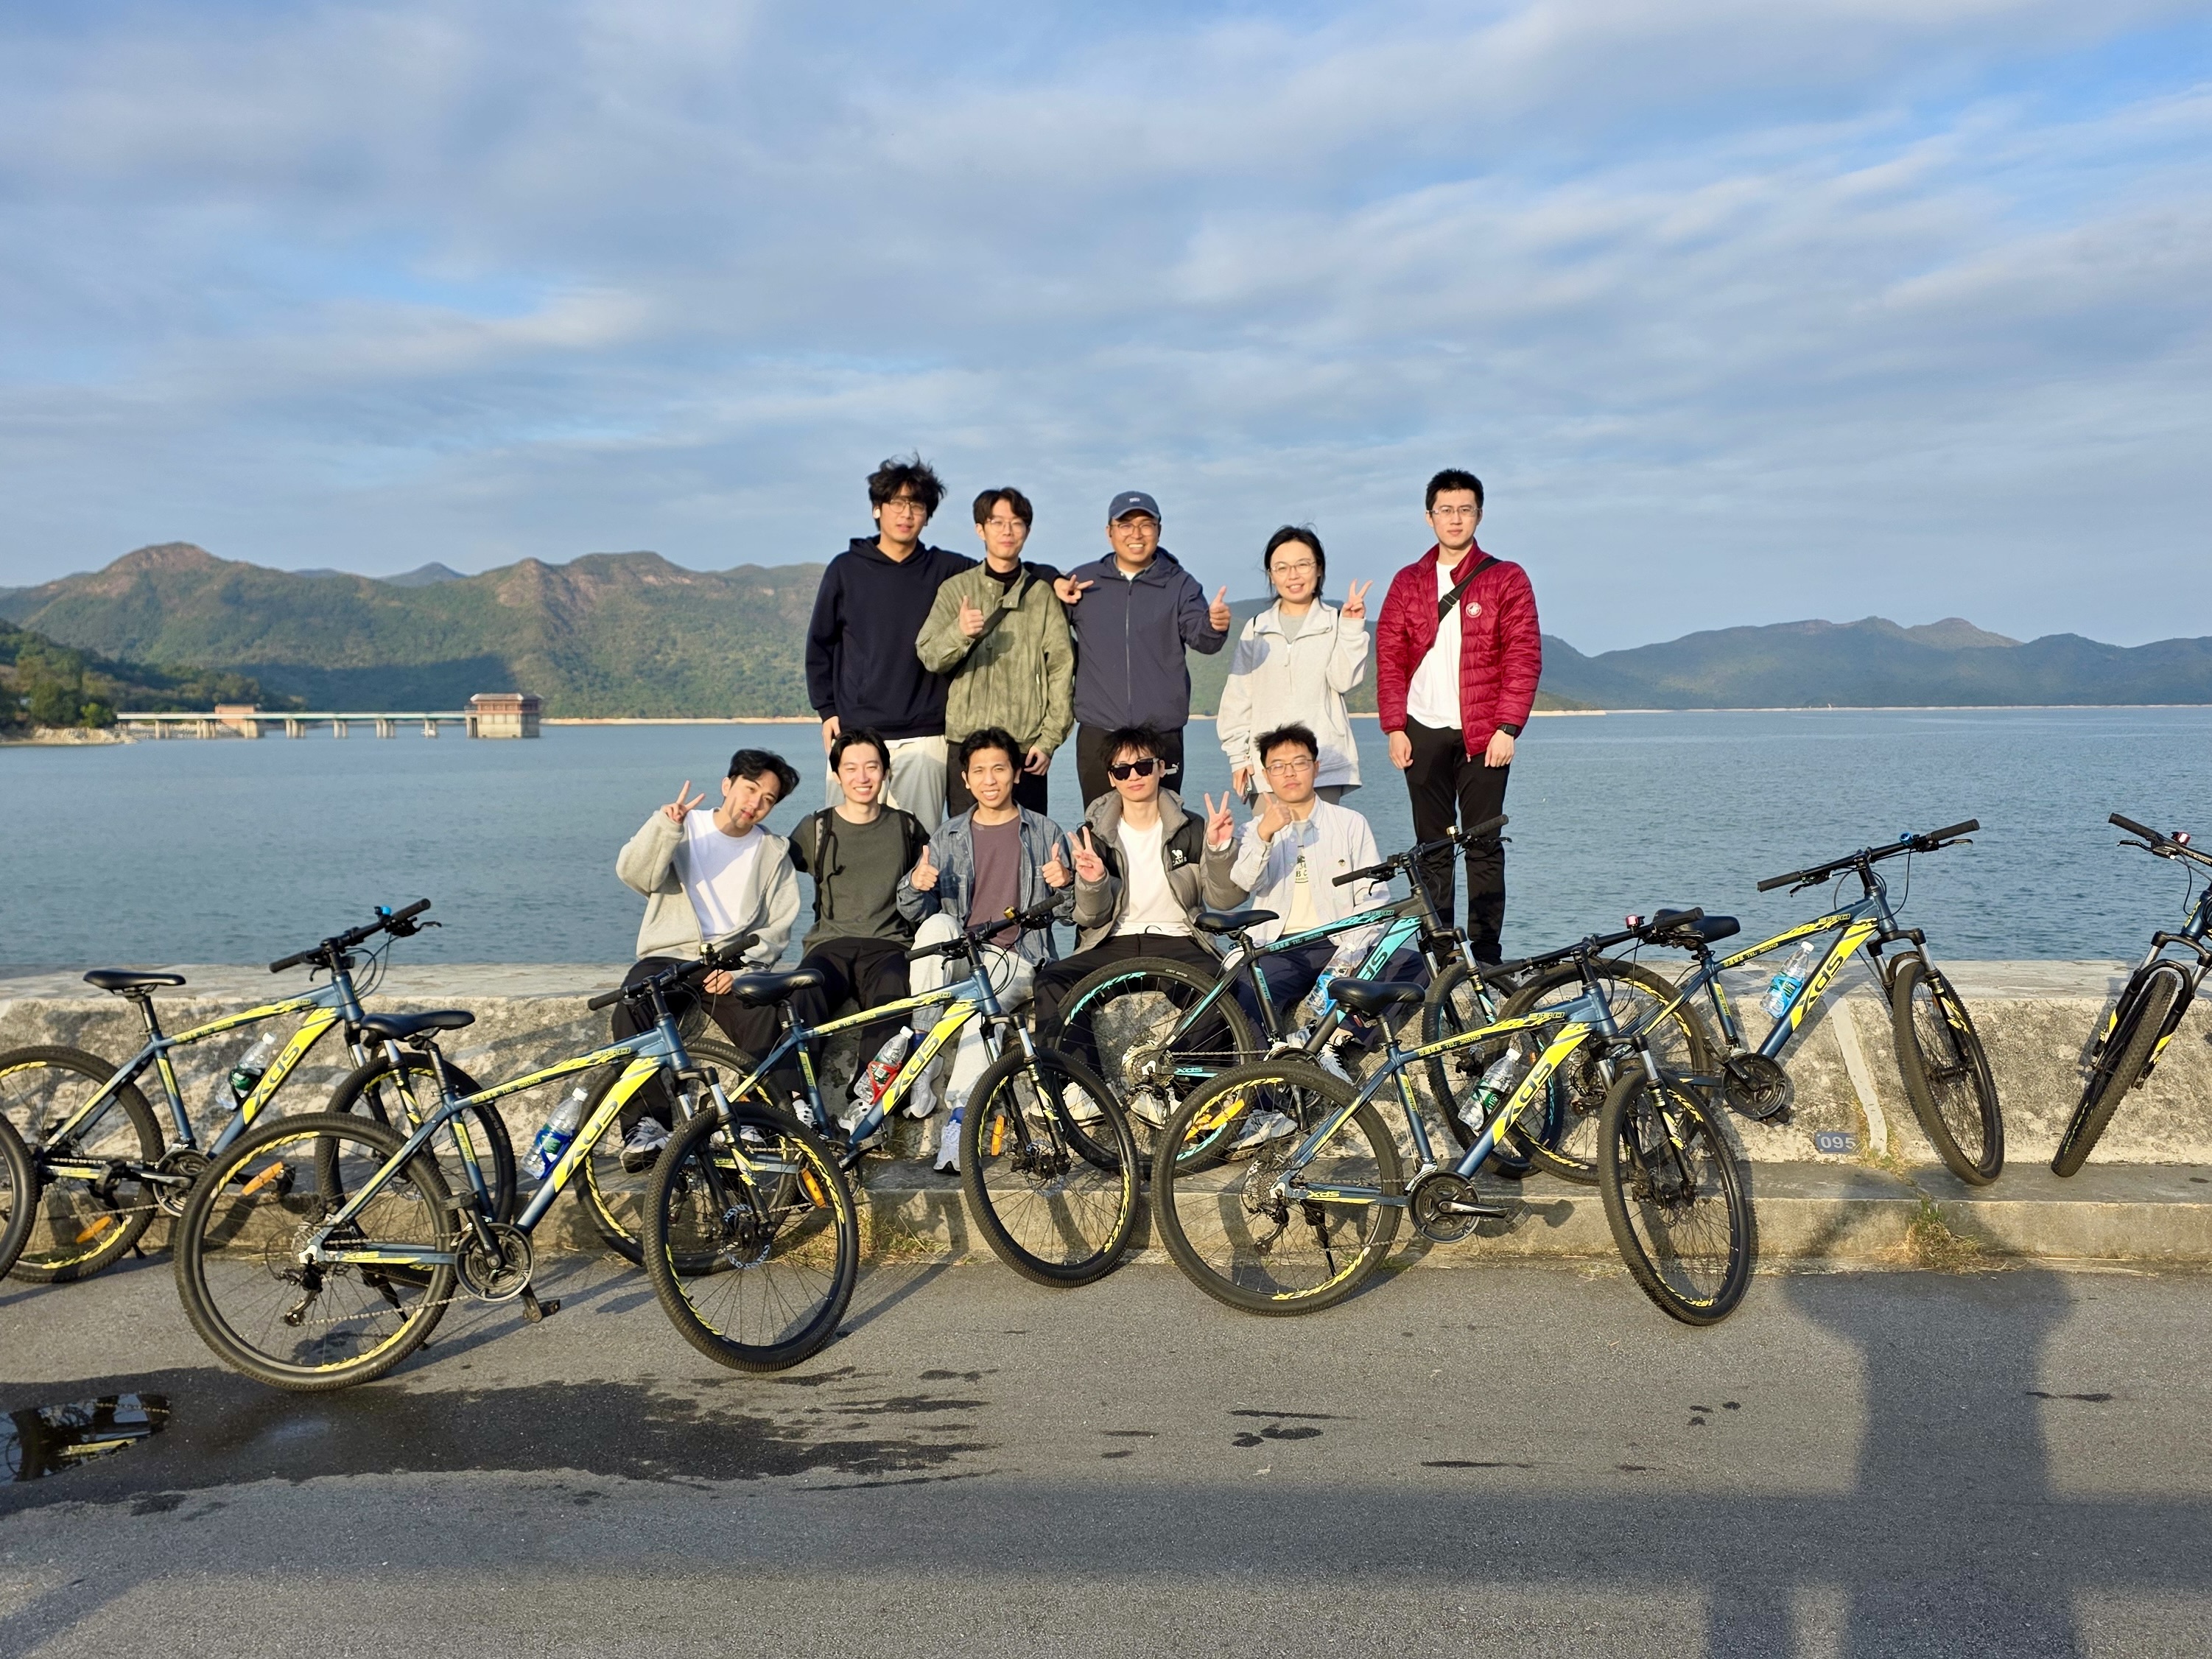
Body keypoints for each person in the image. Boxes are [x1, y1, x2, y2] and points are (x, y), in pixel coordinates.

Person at [1375, 469, 1542, 964]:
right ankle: (1440, 952)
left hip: (1484, 733)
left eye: (1465, 509)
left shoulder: (1505, 577)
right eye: (1445, 510)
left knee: (1484, 845)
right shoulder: (1408, 582)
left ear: (1479, 515)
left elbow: (1523, 655)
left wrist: (1507, 727)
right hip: (1421, 729)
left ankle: (1487, 954)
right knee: (1431, 848)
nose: (1455, 519)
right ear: (1428, 517)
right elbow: (1390, 658)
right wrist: (1394, 727)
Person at [896, 727, 1075, 1170]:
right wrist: (915, 885)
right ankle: (923, 1051)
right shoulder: (948, 835)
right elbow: (916, 913)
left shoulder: (1045, 831)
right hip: (963, 952)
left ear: (1016, 774)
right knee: (936, 926)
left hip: (1017, 957)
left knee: (979, 1010)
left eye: (999, 769)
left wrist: (1067, 884)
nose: (989, 779)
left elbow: (1072, 914)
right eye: (979, 771)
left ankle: (960, 1121)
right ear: (965, 779)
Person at [611, 748, 803, 1165]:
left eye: (768, 799)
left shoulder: (773, 852)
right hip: (670, 955)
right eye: (750, 789)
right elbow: (634, 875)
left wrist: (747, 969)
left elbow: (778, 925)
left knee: (766, 1014)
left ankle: (752, 1120)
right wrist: (665, 828)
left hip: (732, 963)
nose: (755, 803)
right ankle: (646, 1126)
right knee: (633, 1006)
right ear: (727, 785)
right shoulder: (682, 827)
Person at [1030, 724, 1243, 1042]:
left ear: (1161, 768)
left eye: (1143, 766)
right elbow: (1091, 917)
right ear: (1111, 778)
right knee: (1052, 983)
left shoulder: (1193, 828)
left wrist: (1219, 849)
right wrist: (1094, 881)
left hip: (1179, 940)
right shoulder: (1094, 837)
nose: (1134, 776)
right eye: (1122, 769)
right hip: (1112, 941)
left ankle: (1184, 1071)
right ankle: (1075, 1073)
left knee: (1221, 990)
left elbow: (1224, 900)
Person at [805, 455, 974, 830]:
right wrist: (827, 710)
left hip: (925, 735)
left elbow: (1003, 570)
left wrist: (1053, 579)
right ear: (877, 509)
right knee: (844, 838)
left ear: (927, 516)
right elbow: (820, 645)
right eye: (897, 502)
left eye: (917, 505)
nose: (906, 513)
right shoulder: (845, 569)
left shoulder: (947, 570)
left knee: (919, 841)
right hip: (855, 733)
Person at [1053, 490, 1231, 803]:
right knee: (1099, 823)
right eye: (1125, 525)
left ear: (1159, 531)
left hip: (1161, 733)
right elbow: (1046, 624)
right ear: (1109, 532)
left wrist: (1214, 625)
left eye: (1146, 525)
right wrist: (1052, 581)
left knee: (1166, 821)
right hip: (1099, 731)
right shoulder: (1085, 582)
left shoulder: (1180, 584)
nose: (1136, 534)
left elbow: (1202, 639)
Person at [915, 486, 1075, 818]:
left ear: (1027, 530)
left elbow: (1061, 669)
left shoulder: (1042, 595)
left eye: (1017, 523)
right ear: (980, 529)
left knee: (1028, 840)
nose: (1007, 531)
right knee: (965, 839)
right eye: (997, 522)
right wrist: (959, 632)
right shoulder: (957, 589)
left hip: (1025, 748)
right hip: (966, 744)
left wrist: (1048, 741)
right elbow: (929, 654)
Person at [1221, 723, 1391, 1031]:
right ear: (1266, 775)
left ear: (1316, 767)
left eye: (1299, 763)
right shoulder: (1254, 829)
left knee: (1409, 965)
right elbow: (1246, 882)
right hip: (1279, 946)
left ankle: (1336, 1041)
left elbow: (1374, 895)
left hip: (1339, 940)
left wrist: (1351, 950)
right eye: (1278, 766)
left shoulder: (1350, 823)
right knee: (1249, 995)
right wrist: (1265, 835)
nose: (1290, 773)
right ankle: (1265, 1062)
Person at [786, 728, 930, 1045]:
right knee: (803, 998)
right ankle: (794, 1080)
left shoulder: (906, 827)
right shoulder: (817, 828)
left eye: (872, 767)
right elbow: (773, 868)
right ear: (837, 776)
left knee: (892, 1003)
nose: (862, 778)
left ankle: (875, 1079)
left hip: (889, 946)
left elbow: (928, 887)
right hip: (829, 945)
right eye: (850, 768)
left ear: (886, 772)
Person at [1216, 526, 1372, 806]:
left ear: (1319, 568)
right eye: (1282, 568)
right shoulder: (1256, 628)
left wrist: (1351, 627)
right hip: (1268, 766)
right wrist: (1238, 758)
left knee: (1322, 835)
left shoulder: (1336, 622)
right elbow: (1238, 697)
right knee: (1269, 835)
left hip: (1322, 764)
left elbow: (1343, 680)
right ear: (1271, 574)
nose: (1293, 576)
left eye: (1303, 565)